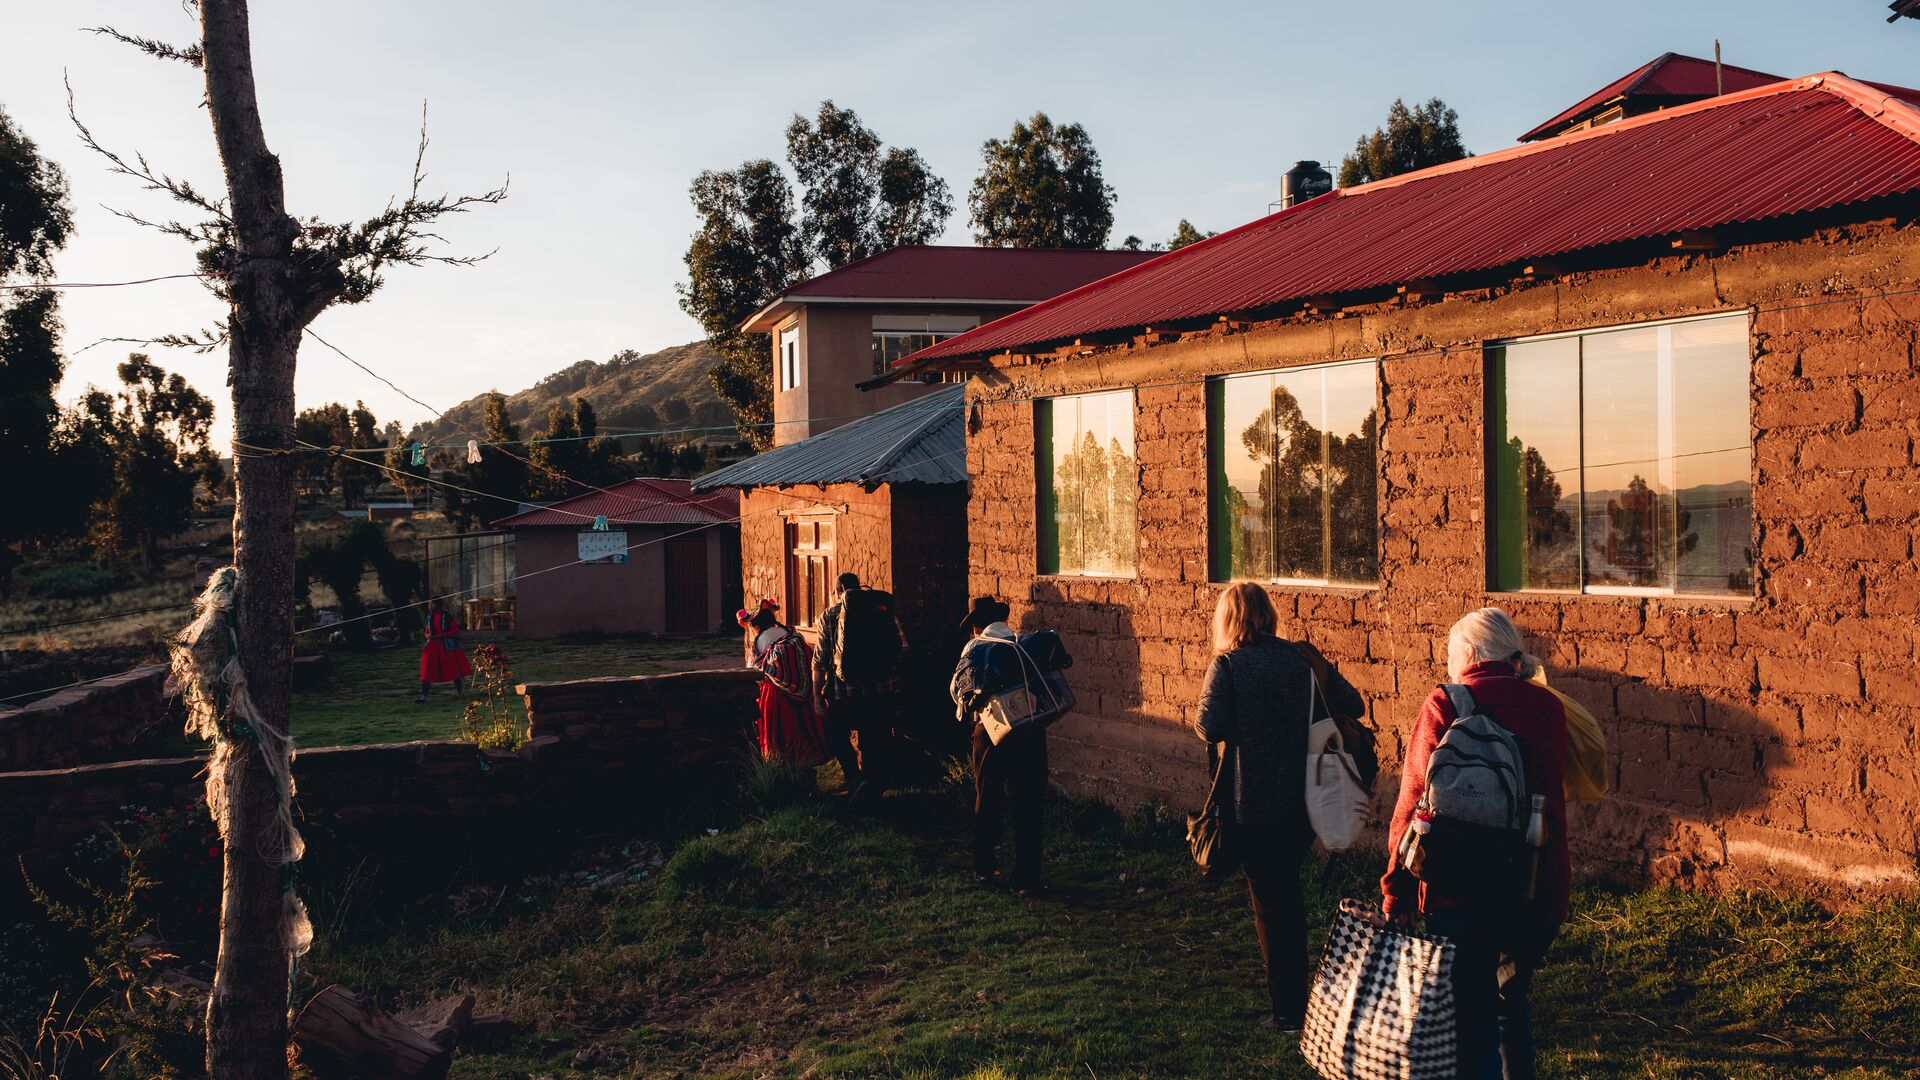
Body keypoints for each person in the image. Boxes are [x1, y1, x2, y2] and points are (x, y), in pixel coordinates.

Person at [1380, 607, 1569, 1080]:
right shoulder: (1549, 709)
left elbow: (1411, 809)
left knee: (1471, 1019)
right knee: (1510, 1002)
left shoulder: (1446, 704)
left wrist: (1395, 889)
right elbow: (1553, 803)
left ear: (1468, 654)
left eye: (1450, 654)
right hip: (1530, 884)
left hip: (1456, 887)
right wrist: (1552, 893)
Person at [1195, 583, 1364, 1031]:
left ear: (1228, 620)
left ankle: (1289, 1011)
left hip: (1252, 805)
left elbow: (1209, 728)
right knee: (1286, 898)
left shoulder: (1227, 666)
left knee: (1272, 907)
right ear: (1268, 615)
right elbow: (1353, 703)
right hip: (1303, 803)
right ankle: (1299, 999)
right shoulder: (1299, 660)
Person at [950, 597, 1050, 896]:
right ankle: (1026, 878)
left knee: (988, 797)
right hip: (1031, 731)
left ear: (977, 627)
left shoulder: (976, 647)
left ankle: (985, 867)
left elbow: (957, 689)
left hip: (992, 734)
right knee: (1028, 802)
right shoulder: (1023, 646)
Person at [811, 572, 909, 803]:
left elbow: (820, 660)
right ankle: (869, 782)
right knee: (875, 737)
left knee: (837, 736)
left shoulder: (830, 615)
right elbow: (903, 648)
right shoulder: (882, 610)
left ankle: (854, 778)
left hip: (843, 696)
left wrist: (816, 694)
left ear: (841, 589)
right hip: (880, 693)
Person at [739, 599, 827, 764]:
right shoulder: (790, 634)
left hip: (775, 694)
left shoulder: (760, 641)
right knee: (800, 728)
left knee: (781, 733)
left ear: (755, 625)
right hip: (803, 693)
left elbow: (754, 669)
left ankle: (780, 766)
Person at [416, 598, 473, 703]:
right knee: (428, 670)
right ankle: (424, 696)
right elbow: (426, 631)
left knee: (453, 669)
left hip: (447, 646)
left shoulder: (447, 616)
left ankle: (460, 692)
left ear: (437, 605)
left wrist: (442, 635)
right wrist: (429, 635)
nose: (429, 606)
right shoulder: (429, 616)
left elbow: (455, 630)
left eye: (431, 604)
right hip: (432, 646)